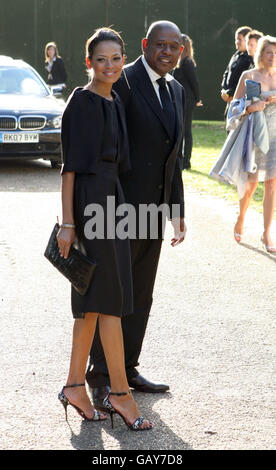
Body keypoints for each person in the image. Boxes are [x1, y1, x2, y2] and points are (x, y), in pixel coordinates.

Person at [86, 20, 187, 410]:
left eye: (173, 46)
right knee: (111, 296)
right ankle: (99, 378)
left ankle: (126, 369)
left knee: (140, 295)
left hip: (153, 212)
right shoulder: (122, 81)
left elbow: (173, 158)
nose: (166, 52)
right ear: (145, 45)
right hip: (117, 210)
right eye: (160, 44)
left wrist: (176, 210)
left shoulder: (176, 89)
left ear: (180, 50)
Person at [56, 27, 152, 431]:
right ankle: (119, 393)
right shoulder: (81, 103)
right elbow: (70, 169)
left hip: (114, 206)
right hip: (90, 208)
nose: (110, 66)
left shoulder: (113, 101)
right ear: (88, 63)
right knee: (105, 301)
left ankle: (76, 386)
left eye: (116, 58)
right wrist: (68, 224)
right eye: (101, 59)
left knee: (95, 303)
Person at [233, 35, 276, 253]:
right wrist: (252, 107)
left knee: (272, 186)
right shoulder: (248, 75)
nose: (273, 56)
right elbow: (235, 107)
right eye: (269, 52)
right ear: (261, 54)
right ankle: (241, 218)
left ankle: (267, 232)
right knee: (251, 184)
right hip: (255, 136)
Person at [173, 34, 202, 169]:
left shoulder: (187, 62)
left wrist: (197, 98)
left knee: (186, 131)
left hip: (187, 100)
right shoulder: (179, 63)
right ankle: (180, 158)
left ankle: (186, 161)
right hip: (179, 99)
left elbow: (194, 82)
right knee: (180, 130)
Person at [221, 26, 253, 114]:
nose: (237, 42)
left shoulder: (250, 59)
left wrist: (231, 93)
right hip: (230, 100)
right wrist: (224, 91)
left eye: (239, 39)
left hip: (241, 101)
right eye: (236, 39)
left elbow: (246, 80)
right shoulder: (235, 55)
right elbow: (226, 73)